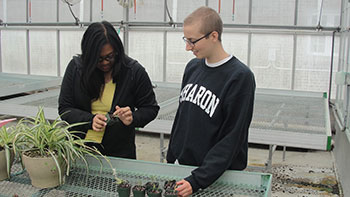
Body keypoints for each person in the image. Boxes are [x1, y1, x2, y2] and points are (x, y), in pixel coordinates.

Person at [166, 6, 256, 196]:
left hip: (215, 177)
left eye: (192, 41)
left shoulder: (239, 77)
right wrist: (172, 157)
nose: (187, 47)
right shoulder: (193, 67)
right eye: (186, 40)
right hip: (185, 171)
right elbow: (182, 117)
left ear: (213, 36)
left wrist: (199, 179)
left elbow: (233, 137)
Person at [58, 21, 159, 159]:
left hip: (119, 151)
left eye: (110, 56)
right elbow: (65, 108)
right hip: (81, 149)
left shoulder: (133, 71)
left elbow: (150, 108)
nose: (105, 62)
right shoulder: (76, 69)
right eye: (98, 59)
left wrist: (132, 118)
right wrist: (90, 120)